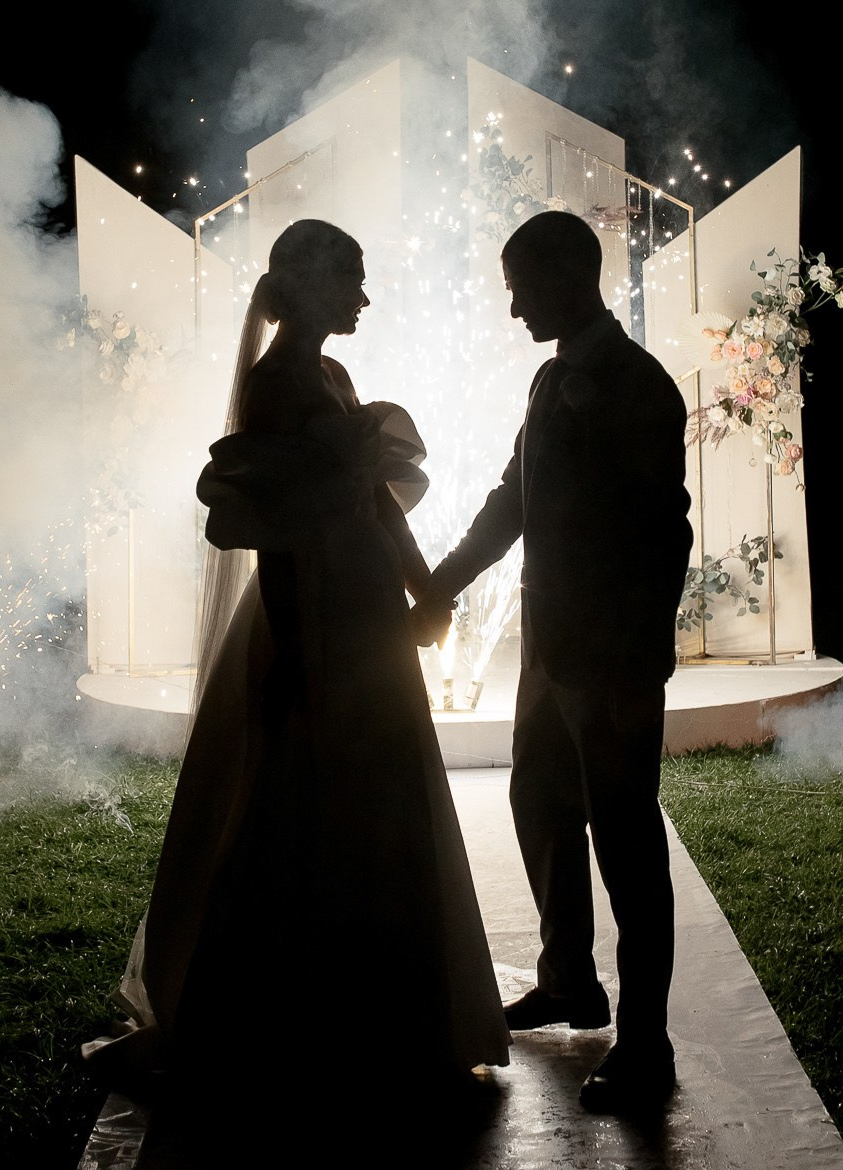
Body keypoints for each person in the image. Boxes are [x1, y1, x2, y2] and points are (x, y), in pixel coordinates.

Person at [88, 219, 508, 1095]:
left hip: (362, 603)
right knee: (306, 795)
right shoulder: (275, 384)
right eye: (352, 278)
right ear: (311, 285)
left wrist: (424, 590)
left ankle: (393, 1012)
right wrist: (297, 651)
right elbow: (273, 537)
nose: (363, 295)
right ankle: (297, 1020)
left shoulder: (330, 375)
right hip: (314, 610)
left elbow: (378, 504)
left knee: (386, 787)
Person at [413, 210, 692, 1113]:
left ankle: (647, 1044)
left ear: (571, 278)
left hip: (609, 663)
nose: (512, 308)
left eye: (521, 288)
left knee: (627, 842)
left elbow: (666, 534)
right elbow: (513, 498)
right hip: (549, 654)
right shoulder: (548, 380)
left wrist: (634, 660)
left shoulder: (640, 385)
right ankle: (570, 980)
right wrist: (444, 582)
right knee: (537, 804)